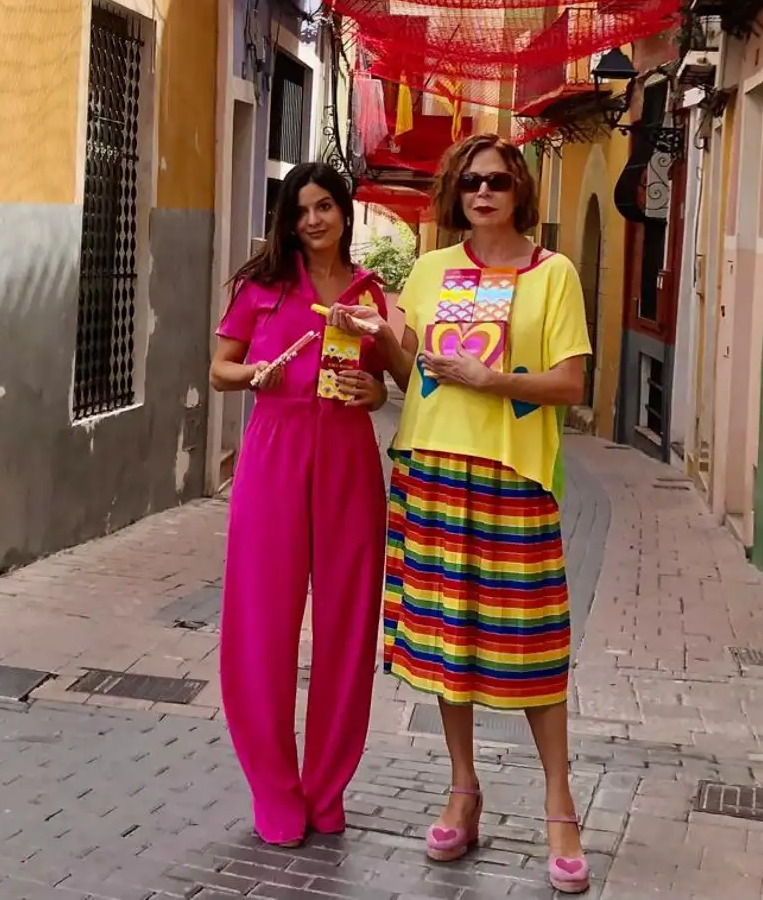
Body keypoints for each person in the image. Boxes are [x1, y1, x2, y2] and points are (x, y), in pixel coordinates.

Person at [333, 134, 594, 892]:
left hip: (512, 476)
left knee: (535, 644)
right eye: (471, 182)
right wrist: (375, 336)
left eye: (498, 182)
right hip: (431, 467)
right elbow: (410, 367)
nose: (483, 193)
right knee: (452, 639)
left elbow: (572, 383)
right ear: (455, 192)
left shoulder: (555, 275)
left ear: (520, 192)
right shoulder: (429, 271)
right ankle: (462, 788)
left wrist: (491, 377)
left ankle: (560, 806)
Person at [209, 162, 391, 847]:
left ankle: (326, 786)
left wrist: (377, 394)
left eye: (324, 206)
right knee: (262, 623)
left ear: (345, 212)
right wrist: (254, 372)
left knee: (347, 630)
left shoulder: (371, 292)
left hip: (349, 462)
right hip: (274, 457)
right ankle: (274, 786)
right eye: (300, 208)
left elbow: (391, 379)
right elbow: (219, 367)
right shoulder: (263, 287)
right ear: (287, 218)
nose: (312, 219)